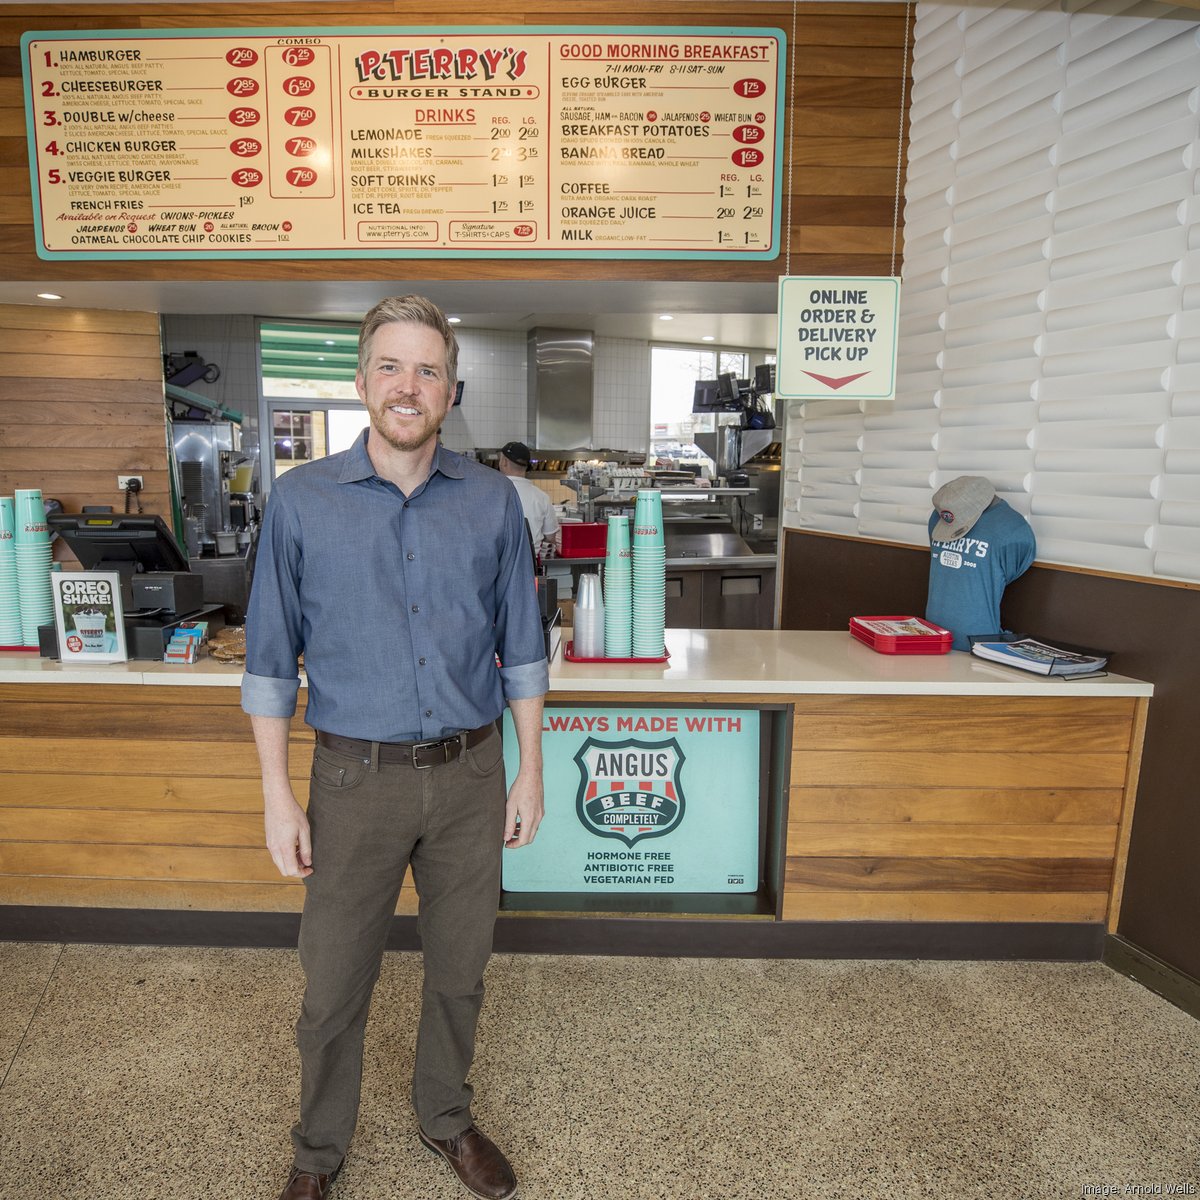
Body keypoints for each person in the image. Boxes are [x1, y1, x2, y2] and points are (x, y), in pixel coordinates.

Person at [241, 295, 548, 1200]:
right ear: (362, 380)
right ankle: (317, 1149)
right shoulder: (301, 503)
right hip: (351, 780)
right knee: (332, 985)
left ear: (452, 391)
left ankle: (445, 1118)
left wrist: (530, 770)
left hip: (469, 777)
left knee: (460, 970)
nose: (407, 387)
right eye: (391, 366)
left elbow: (522, 647)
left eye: (428, 370)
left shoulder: (494, 501)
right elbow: (267, 663)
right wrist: (275, 793)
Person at [925, 475, 1036, 651]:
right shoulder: (940, 517)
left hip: (979, 646)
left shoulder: (1012, 529)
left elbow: (1012, 571)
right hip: (933, 638)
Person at [496, 440, 559, 557]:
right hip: (530, 564)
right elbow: (550, 537)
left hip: (498, 565)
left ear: (504, 462)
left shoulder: (491, 493)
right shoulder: (541, 497)